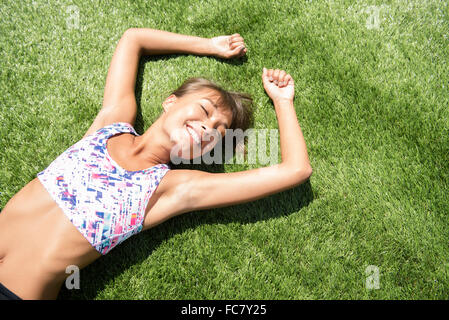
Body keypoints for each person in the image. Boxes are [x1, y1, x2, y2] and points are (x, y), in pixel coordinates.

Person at [0, 28, 312, 300]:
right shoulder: (111, 123)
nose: (207, 127)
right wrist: (210, 45)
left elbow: (296, 169)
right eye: (204, 110)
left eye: (216, 131)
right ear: (171, 102)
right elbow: (134, 39)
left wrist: (283, 102)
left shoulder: (173, 188)